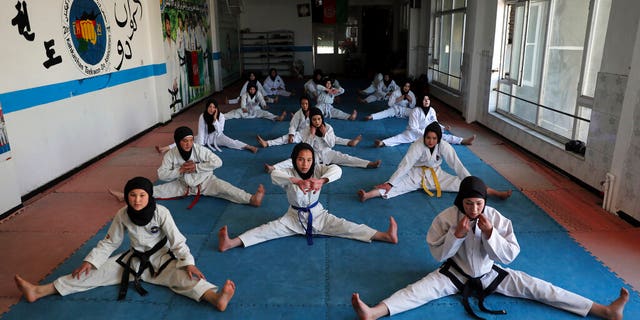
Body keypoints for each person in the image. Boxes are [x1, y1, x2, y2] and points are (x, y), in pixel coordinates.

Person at [351, 176, 629, 320]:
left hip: (490, 274)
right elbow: (438, 254)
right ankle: (374, 312)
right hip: (454, 273)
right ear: (460, 200)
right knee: (417, 291)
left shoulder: (495, 218)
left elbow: (509, 254)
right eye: (468, 204)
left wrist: (489, 233)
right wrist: (457, 234)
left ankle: (604, 311)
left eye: (479, 204)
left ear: (485, 202)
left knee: (542, 288)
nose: (473, 209)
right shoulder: (446, 218)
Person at [15, 176, 236, 311]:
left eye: (141, 195)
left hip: (163, 261)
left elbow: (177, 241)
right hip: (133, 260)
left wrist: (187, 262)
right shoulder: (123, 214)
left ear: (149, 196)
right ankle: (39, 291)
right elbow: (109, 242)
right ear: (127, 196)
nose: (137, 200)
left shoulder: (162, 213)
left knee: (186, 278)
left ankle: (216, 298)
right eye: (132, 195)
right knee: (90, 274)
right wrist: (91, 261)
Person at [218, 143, 398, 251]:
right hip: (292, 218)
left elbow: (338, 170)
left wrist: (322, 180)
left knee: (347, 227)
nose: (305, 164)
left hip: (318, 214)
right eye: (301, 159)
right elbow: (274, 175)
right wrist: (295, 181)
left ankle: (385, 236)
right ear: (294, 159)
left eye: (309, 159)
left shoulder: (318, 170)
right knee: (265, 231)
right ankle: (231, 243)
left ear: (314, 160)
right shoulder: (288, 172)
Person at [358, 122, 510, 202]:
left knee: (462, 184)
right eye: (428, 138)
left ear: (438, 138)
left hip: (436, 175)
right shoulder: (417, 145)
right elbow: (406, 164)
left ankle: (495, 193)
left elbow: (456, 165)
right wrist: (391, 182)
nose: (430, 141)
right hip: (415, 173)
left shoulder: (444, 145)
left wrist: (470, 181)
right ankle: (368, 195)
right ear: (424, 137)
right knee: (395, 186)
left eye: (434, 138)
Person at [115, 127, 264, 208]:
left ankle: (252, 199)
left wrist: (197, 167)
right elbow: (161, 175)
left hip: (206, 182)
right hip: (183, 185)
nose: (188, 144)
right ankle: (125, 195)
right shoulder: (171, 155)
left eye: (191, 140)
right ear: (178, 141)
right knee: (157, 190)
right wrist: (180, 170)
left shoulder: (199, 149)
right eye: (185, 141)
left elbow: (218, 162)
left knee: (227, 189)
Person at [265, 107, 380, 173]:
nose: (317, 122)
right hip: (313, 155)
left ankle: (369, 163)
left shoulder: (328, 127)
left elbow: (332, 144)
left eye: (319, 119)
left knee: (346, 158)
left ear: (322, 118)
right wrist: (311, 135)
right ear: (311, 120)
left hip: (327, 152)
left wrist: (325, 134)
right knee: (294, 160)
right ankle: (273, 168)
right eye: (314, 119)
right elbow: (305, 148)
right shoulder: (306, 129)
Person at [155, 99, 258, 154]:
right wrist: (200, 146)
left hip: (218, 137)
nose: (212, 109)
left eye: (214, 107)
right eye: (210, 107)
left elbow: (219, 131)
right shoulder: (202, 116)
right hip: (205, 136)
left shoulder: (221, 116)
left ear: (216, 108)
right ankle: (164, 149)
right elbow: (201, 132)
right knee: (187, 140)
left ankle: (248, 146)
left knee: (231, 142)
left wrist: (214, 120)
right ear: (207, 107)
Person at [256, 96, 362, 148]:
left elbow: (321, 119)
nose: (304, 106)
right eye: (302, 104)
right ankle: (267, 143)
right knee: (287, 138)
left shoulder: (315, 111)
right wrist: (292, 134)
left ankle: (350, 142)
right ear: (300, 104)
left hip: (317, 130)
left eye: (306, 104)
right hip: (304, 133)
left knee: (332, 138)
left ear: (309, 104)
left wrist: (322, 129)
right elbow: (292, 125)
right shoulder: (298, 113)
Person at [374, 95, 475, 147]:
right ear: (421, 101)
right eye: (424, 100)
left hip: (428, 132)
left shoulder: (432, 110)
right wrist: (425, 134)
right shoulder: (415, 111)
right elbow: (413, 128)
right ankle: (383, 143)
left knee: (444, 137)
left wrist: (443, 128)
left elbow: (434, 122)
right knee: (399, 138)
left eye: (428, 100)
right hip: (413, 133)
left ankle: (463, 141)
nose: (426, 101)